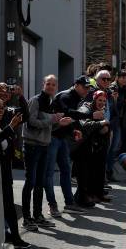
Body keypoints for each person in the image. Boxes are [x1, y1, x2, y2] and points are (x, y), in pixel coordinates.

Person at [22, 75, 73, 231]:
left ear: (56, 87)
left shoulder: (50, 102)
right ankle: (26, 218)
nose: (50, 87)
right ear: (43, 85)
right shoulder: (36, 101)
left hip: (44, 145)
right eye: (48, 84)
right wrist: (53, 119)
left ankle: (38, 216)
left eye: (53, 84)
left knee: (39, 183)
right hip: (32, 146)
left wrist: (59, 123)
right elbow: (31, 122)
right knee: (30, 182)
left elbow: (46, 126)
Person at [45, 75, 91, 216]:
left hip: (62, 137)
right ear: (76, 85)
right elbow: (67, 113)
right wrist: (89, 116)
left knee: (65, 171)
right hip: (52, 137)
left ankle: (69, 203)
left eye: (88, 87)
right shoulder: (66, 95)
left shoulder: (75, 97)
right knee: (49, 174)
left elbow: (69, 119)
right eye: (84, 87)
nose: (87, 90)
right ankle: (52, 206)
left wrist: (74, 130)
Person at [0, 98, 29, 248]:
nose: (1, 110)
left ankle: (15, 238)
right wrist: (11, 127)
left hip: (5, 174)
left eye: (3, 108)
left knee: (9, 208)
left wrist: (21, 98)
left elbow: (25, 114)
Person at [74, 90, 112, 205]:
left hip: (95, 145)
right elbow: (85, 125)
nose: (102, 103)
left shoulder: (101, 110)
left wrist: (104, 128)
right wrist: (101, 124)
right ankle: (83, 198)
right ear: (94, 99)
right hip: (83, 145)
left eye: (104, 101)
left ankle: (96, 195)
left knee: (97, 171)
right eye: (99, 100)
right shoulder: (86, 108)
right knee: (85, 174)